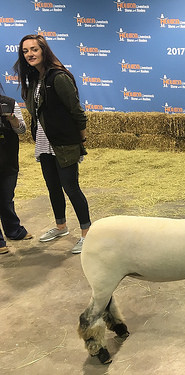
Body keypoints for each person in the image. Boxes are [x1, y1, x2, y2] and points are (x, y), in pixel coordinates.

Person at [13, 34, 90, 254]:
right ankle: (61, 226)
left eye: (34, 49)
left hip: (64, 144)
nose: (30, 54)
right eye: (26, 51)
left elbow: (76, 111)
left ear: (44, 51)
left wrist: (81, 139)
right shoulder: (34, 79)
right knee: (52, 187)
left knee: (71, 188)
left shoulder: (58, 77)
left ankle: (87, 233)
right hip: (44, 144)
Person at [0, 83, 33, 254]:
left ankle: (14, 230)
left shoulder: (10, 103)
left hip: (8, 160)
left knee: (6, 197)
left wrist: (13, 119)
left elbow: (22, 131)